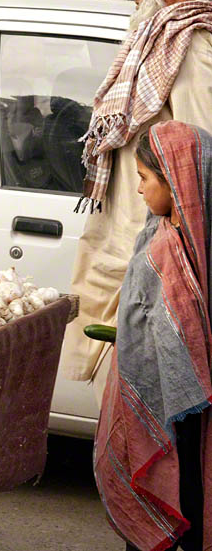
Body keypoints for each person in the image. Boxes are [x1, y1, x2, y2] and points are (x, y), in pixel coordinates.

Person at [67, 0, 212, 390]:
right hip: (130, 250)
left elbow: (200, 163)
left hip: (157, 263)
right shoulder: (160, 39)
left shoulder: (191, 44)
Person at [94, 120, 210, 551]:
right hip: (180, 408)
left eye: (144, 179)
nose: (140, 190)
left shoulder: (173, 251)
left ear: (175, 182)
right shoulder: (167, 234)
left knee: (181, 500)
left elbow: (174, 335)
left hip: (182, 412)